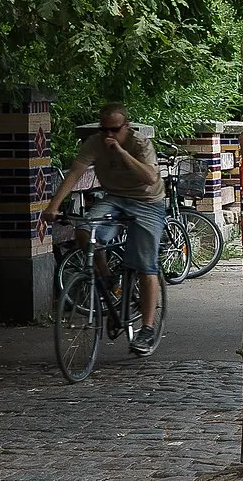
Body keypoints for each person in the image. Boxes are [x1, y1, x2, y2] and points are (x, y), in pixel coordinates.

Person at [38, 103, 167, 355]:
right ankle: (108, 277)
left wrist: (120, 151)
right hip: (115, 198)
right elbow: (74, 174)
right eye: (104, 129)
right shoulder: (94, 143)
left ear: (126, 127)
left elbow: (150, 178)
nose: (108, 135)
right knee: (85, 230)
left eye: (114, 130)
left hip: (148, 201)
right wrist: (53, 206)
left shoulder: (139, 144)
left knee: (145, 264)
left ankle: (147, 329)